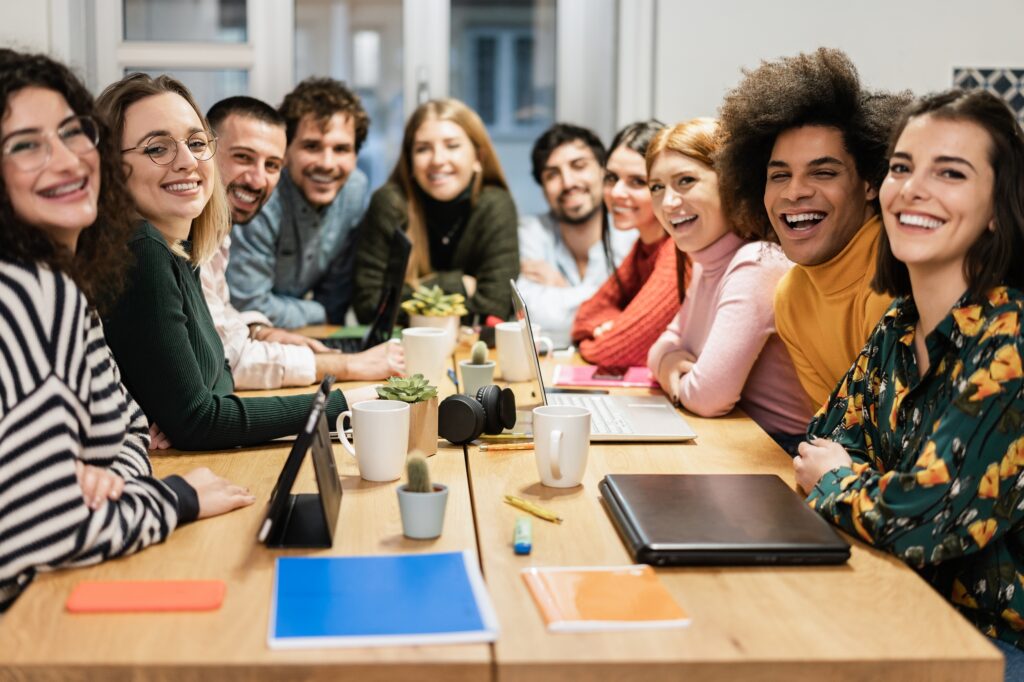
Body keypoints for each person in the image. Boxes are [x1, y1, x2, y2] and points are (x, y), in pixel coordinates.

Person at [0, 50, 252, 611]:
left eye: (73, 134)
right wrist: (175, 497)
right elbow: (53, 530)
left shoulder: (69, 288)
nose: (66, 161)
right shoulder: (21, 296)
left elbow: (132, 434)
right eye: (26, 145)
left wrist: (106, 480)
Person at [794, 90, 1024, 672]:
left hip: (996, 647)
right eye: (902, 167)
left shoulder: (1012, 339)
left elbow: (924, 520)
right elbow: (825, 443)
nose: (913, 189)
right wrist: (870, 486)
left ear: (998, 207)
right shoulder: (899, 324)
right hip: (902, 603)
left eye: (950, 173)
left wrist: (849, 484)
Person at [96, 74, 374, 451]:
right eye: (157, 149)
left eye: (196, 143)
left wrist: (190, 410)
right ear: (111, 166)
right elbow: (200, 420)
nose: (187, 161)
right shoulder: (142, 249)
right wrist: (347, 405)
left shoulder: (179, 244)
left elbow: (219, 380)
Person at [717, 48, 910, 411]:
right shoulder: (792, 296)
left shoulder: (900, 271)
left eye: (823, 172)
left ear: (871, 182)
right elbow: (835, 429)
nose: (795, 191)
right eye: (779, 175)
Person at [202, 96, 402, 390]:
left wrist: (259, 330)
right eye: (243, 156)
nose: (327, 162)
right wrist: (345, 364)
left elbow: (220, 314)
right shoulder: (244, 205)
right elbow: (228, 352)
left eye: (271, 163)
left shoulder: (355, 189)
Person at [645, 119, 810, 449]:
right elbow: (662, 345)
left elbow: (708, 398)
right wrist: (668, 362)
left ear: (731, 182)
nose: (667, 203)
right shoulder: (709, 262)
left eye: (686, 181)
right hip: (739, 438)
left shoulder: (755, 262)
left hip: (782, 453)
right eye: (656, 187)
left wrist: (674, 373)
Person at [353, 98, 519, 323]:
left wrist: (415, 290)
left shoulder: (496, 205)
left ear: (478, 158)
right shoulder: (390, 203)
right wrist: (460, 284)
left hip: (472, 353)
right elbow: (369, 306)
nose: (438, 160)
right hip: (403, 350)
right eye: (423, 149)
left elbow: (494, 307)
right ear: (410, 162)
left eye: (452, 146)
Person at [226, 78, 369, 328]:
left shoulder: (355, 190)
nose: (327, 163)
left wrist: (324, 316)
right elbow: (248, 304)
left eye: (341, 149)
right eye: (312, 146)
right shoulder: (261, 194)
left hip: (306, 334)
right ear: (285, 152)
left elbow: (336, 294)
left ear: (355, 156)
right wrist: (317, 312)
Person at [571, 120, 688, 367]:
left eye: (637, 182)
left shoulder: (678, 250)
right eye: (612, 178)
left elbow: (613, 352)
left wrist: (611, 331)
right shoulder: (644, 247)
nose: (616, 193)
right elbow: (585, 316)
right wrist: (616, 323)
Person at [517, 123, 635, 346]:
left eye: (579, 166)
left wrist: (563, 291)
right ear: (542, 187)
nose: (568, 182)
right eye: (552, 175)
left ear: (604, 171)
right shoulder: (530, 232)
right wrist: (603, 304)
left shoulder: (631, 232)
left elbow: (634, 320)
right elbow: (529, 319)